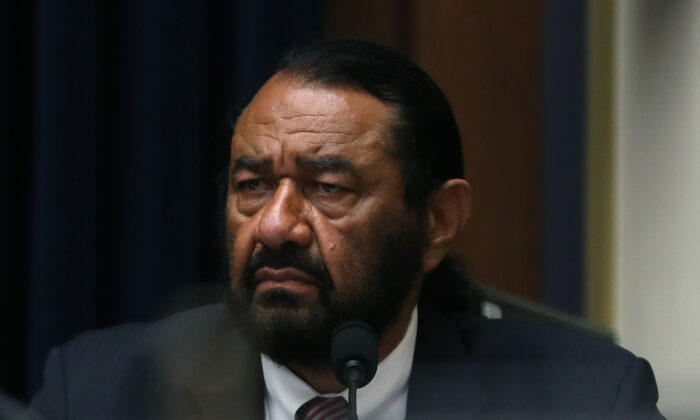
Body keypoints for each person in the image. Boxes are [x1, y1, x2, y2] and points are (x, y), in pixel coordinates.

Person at [29, 39, 664, 420]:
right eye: (252, 186)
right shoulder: (98, 392)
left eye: (328, 189)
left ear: (438, 222)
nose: (276, 226)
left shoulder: (585, 400)